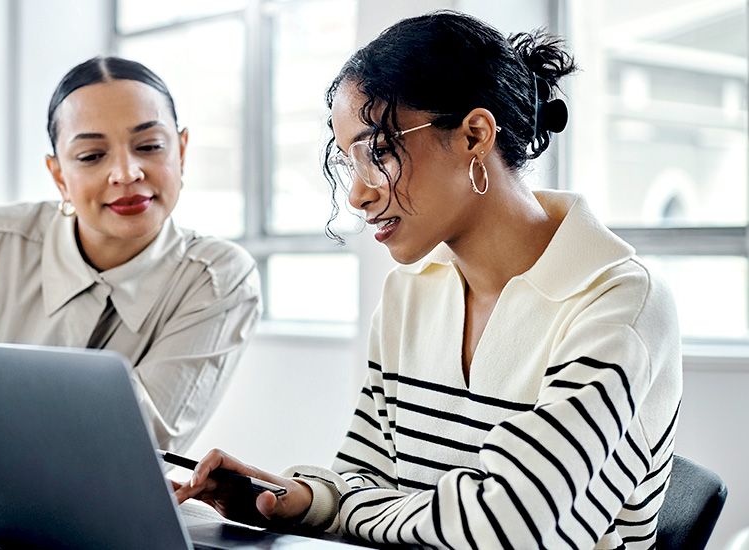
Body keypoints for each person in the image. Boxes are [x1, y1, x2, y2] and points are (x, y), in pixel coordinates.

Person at [174, 11, 681, 549]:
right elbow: (361, 477)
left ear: (474, 135)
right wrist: (299, 500)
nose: (357, 194)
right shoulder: (409, 294)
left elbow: (513, 525)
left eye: (381, 152)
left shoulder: (619, 302)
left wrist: (347, 509)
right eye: (350, 161)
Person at [0, 56, 262, 453]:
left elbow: (135, 444)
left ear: (181, 150)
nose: (126, 174)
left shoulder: (217, 278)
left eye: (149, 146)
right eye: (92, 156)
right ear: (59, 175)